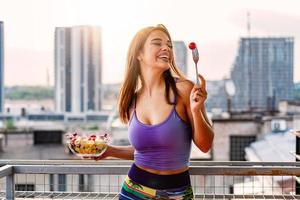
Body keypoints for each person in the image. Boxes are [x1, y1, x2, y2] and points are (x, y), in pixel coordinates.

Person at [95, 24, 214, 199]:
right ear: (139, 54)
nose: (166, 48)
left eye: (169, 45)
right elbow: (145, 151)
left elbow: (205, 146)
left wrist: (196, 111)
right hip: (133, 190)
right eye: (157, 43)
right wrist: (110, 151)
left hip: (177, 193)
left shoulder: (185, 89)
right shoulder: (132, 101)